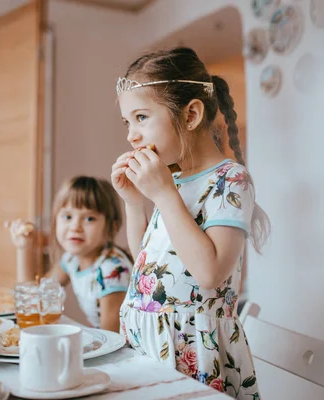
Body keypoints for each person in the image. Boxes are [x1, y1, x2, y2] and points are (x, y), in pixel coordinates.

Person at [111, 47, 270, 399]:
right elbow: (148, 264)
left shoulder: (231, 180)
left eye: (141, 118)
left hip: (197, 352)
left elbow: (211, 273)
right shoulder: (174, 180)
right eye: (127, 122)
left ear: (191, 115)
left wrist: (164, 196)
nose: (131, 136)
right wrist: (134, 203)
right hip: (148, 348)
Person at [47, 176, 133, 332]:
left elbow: (113, 338)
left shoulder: (112, 271)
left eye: (89, 218)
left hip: (119, 348)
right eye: (67, 217)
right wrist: (24, 247)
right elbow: (35, 295)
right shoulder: (71, 259)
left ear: (112, 227)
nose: (75, 227)